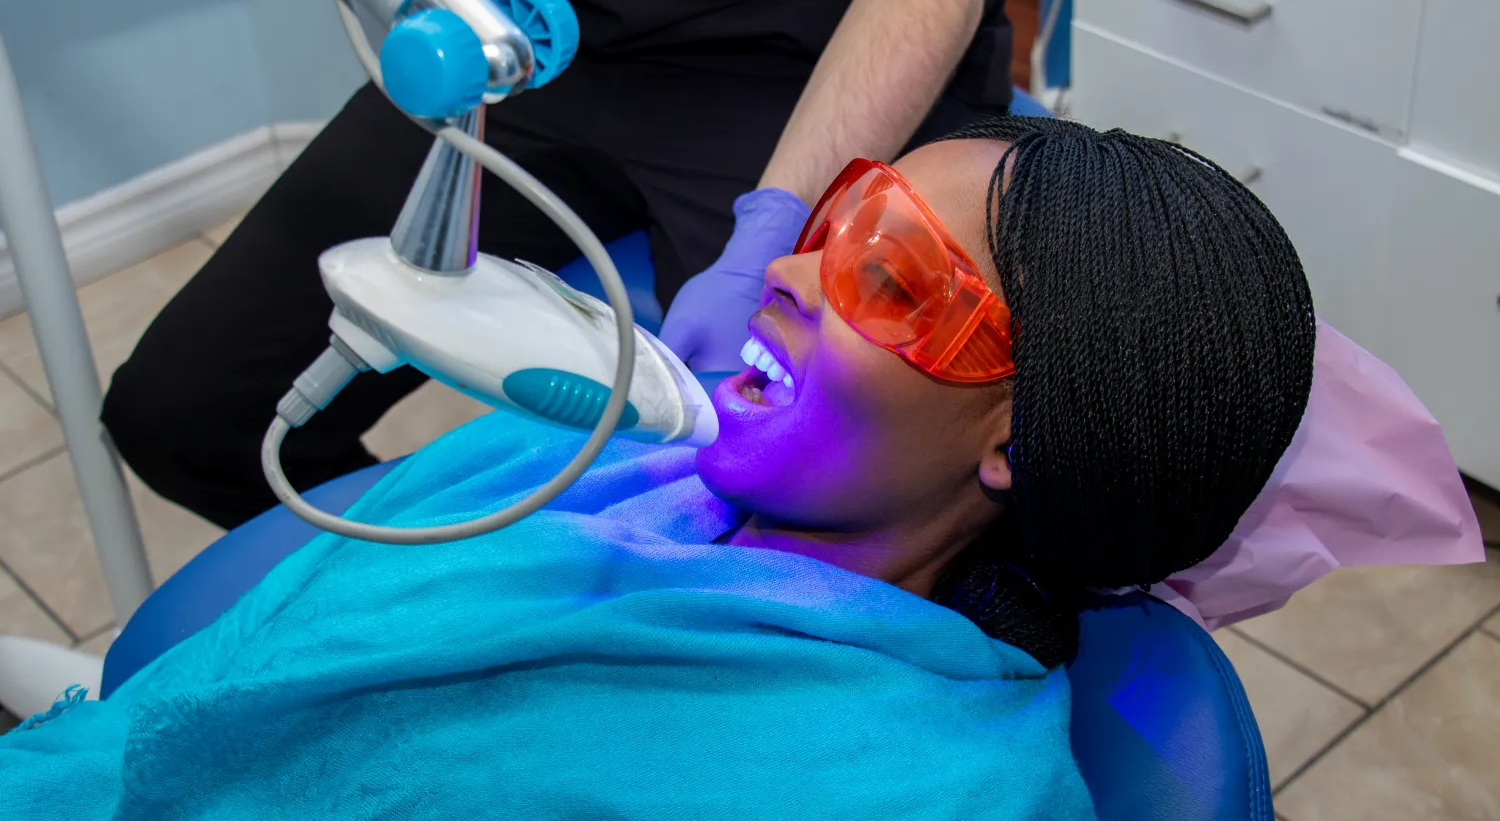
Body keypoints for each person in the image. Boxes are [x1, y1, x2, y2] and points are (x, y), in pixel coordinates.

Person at [0, 118, 1315, 819]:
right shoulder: (590, 454)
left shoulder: (922, 788)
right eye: (833, 224)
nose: (791, 274)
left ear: (1023, 442)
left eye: (890, 275)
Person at [2, 0, 1020, 529]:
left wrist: (773, 225)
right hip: (543, 43)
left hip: (814, 68)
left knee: (770, 482)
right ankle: (451, 610)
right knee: (187, 414)